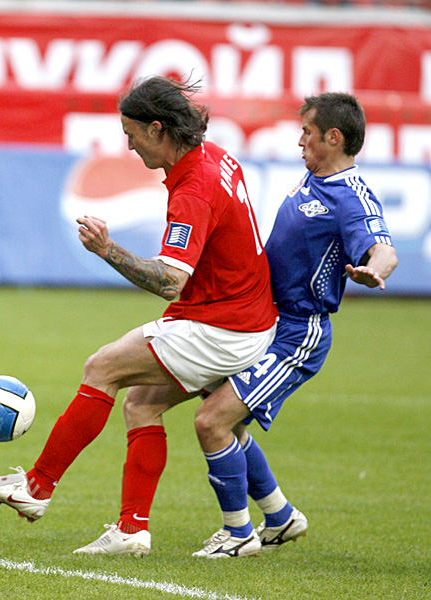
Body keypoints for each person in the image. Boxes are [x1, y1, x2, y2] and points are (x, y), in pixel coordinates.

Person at [0, 75, 278, 557]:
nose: (129, 146)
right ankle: (132, 529)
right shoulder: (216, 157)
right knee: (141, 405)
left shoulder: (194, 189)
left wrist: (107, 250)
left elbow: (170, 281)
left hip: (221, 325)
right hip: (243, 317)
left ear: (157, 128)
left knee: (102, 367)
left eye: (132, 134)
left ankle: (36, 487)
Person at [122, 91, 398, 559]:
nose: (300, 140)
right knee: (223, 419)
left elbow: (382, 246)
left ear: (334, 137)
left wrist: (375, 270)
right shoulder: (314, 178)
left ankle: (238, 534)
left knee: (213, 421)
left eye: (308, 132)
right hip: (261, 319)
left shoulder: (351, 195)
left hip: (297, 333)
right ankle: (280, 516)